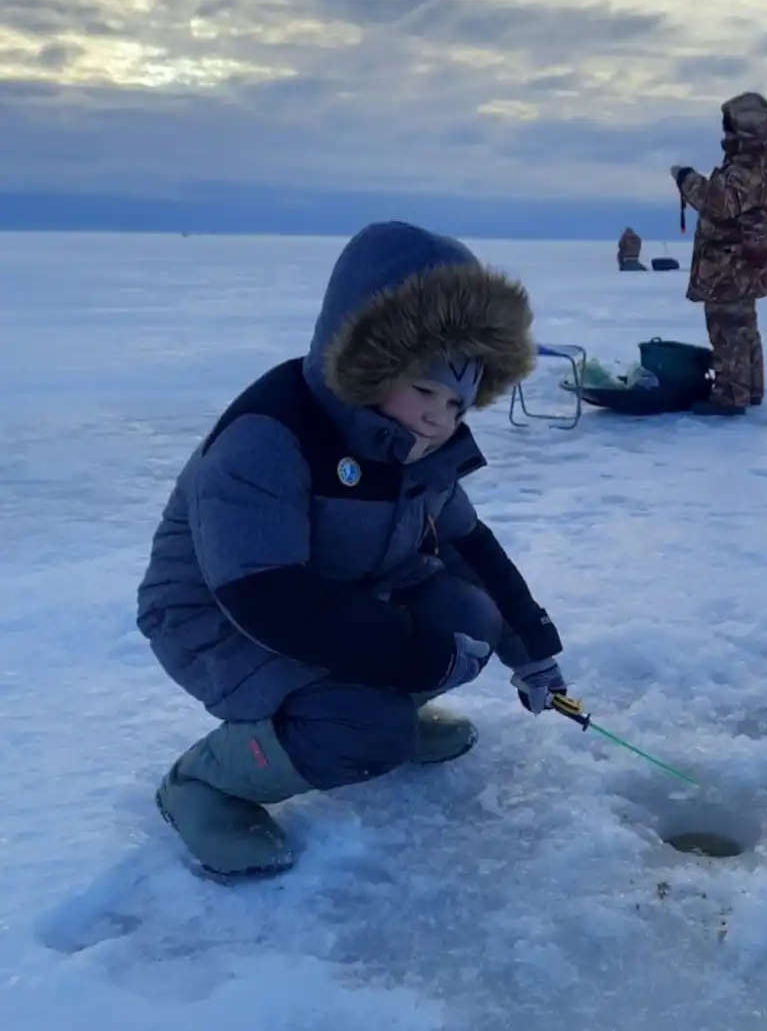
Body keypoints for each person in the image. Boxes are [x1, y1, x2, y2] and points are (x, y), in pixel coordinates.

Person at [136, 220, 571, 880]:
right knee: (363, 722)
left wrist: (532, 651)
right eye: (423, 390)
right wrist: (410, 651)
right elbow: (268, 598)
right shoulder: (267, 437)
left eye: (455, 401)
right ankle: (203, 781)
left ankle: (382, 718)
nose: (438, 419)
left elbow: (469, 545)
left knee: (470, 617)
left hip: (336, 597)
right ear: (369, 363)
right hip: (218, 620)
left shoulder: (414, 447)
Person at [671, 91, 767, 415]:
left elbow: (717, 204)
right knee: (743, 323)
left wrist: (685, 179)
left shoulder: (746, 168)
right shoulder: (758, 161)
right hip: (746, 261)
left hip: (731, 264)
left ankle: (731, 395)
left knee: (726, 325)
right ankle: (751, 389)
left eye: (731, 129)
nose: (726, 136)